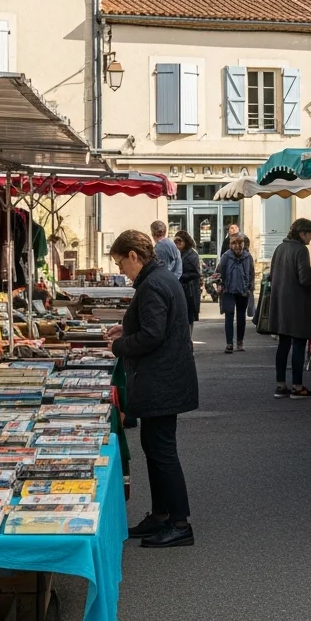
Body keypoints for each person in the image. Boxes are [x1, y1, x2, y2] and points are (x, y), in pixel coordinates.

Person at [106, 230, 198, 549]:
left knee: (162, 452)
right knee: (155, 448)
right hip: (163, 379)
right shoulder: (156, 278)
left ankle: (179, 523)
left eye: (120, 263)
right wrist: (127, 326)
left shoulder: (154, 283)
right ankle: (161, 516)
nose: (120, 270)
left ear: (134, 255)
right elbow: (151, 325)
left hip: (163, 381)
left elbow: (153, 335)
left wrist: (120, 345)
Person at [269, 218, 311, 399]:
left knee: (283, 345)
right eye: (310, 234)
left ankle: (281, 385)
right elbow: (305, 278)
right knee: (298, 344)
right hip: (298, 305)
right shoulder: (301, 250)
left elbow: (272, 274)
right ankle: (298, 386)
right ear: (302, 233)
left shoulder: (280, 248)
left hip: (281, 304)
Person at [216, 233, 254, 353]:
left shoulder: (248, 257)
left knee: (241, 317)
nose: (237, 246)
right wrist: (219, 283)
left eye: (240, 243)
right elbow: (218, 272)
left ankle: (240, 342)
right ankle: (229, 344)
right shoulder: (226, 257)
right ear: (230, 245)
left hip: (243, 291)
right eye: (234, 243)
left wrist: (250, 287)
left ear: (244, 244)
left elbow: (252, 273)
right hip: (228, 290)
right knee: (229, 316)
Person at [174, 230, 202, 335]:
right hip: (180, 288)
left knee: (189, 317)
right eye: (175, 242)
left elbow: (195, 273)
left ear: (185, 242)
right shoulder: (177, 253)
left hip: (189, 290)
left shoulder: (192, 254)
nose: (177, 245)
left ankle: (188, 341)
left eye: (179, 242)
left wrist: (179, 276)